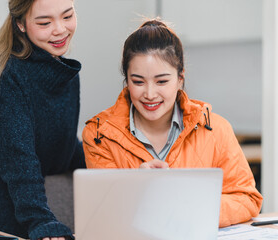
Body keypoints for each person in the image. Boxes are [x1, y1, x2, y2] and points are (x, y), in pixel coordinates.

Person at [82, 18, 263, 228]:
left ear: (180, 79)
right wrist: (136, 188)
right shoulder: (98, 135)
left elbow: (247, 198)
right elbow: (104, 216)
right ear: (127, 80)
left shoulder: (216, 129)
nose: (149, 94)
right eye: (138, 81)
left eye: (162, 81)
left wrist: (188, 209)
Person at [0, 0, 85, 239]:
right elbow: (19, 163)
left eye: (67, 15)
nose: (60, 29)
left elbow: (64, 146)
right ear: (20, 24)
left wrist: (120, 170)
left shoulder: (64, 74)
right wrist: (42, 221)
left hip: (15, 216)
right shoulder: (9, 75)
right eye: (45, 22)